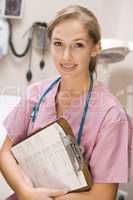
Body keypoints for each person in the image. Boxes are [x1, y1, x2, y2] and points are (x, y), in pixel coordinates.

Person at [0, 4, 133, 200]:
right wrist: (26, 192)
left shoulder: (111, 116)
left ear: (95, 48)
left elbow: (104, 195)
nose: (65, 56)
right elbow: (5, 154)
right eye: (58, 43)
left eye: (78, 45)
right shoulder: (35, 94)